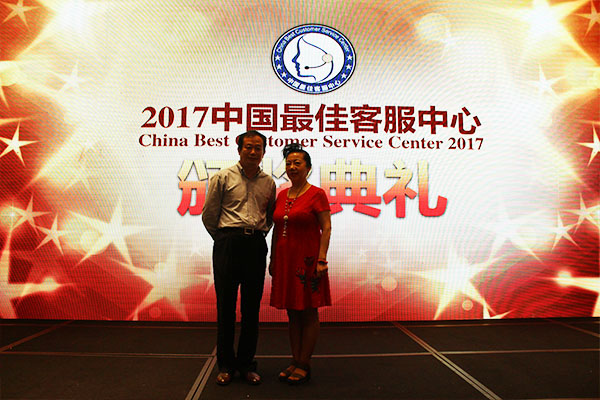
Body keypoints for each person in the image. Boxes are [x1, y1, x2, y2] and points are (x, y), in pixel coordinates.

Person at [202, 130, 276, 386]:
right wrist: (224, 238)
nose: (253, 152)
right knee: (225, 307)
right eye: (248, 147)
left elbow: (269, 217)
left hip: (255, 245)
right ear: (239, 150)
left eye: (258, 148)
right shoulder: (222, 177)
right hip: (228, 244)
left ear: (264, 152)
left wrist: (255, 235)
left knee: (251, 310)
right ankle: (225, 365)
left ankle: (246, 364)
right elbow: (209, 215)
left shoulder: (269, 183)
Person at [269, 143, 332, 385]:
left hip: (308, 261)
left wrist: (322, 259)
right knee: (292, 312)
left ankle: (304, 363)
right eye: (288, 163)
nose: (292, 167)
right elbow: (277, 230)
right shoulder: (282, 194)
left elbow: (326, 227)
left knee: (308, 311)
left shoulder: (317, 194)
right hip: (285, 260)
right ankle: (295, 360)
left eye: (297, 163)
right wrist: (273, 259)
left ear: (308, 168)